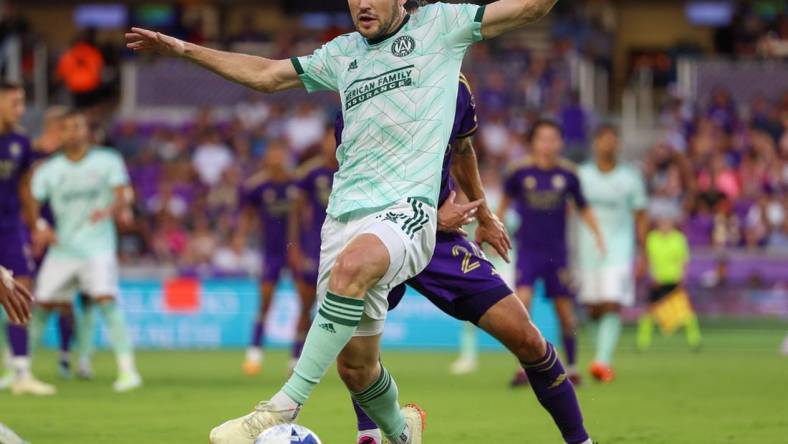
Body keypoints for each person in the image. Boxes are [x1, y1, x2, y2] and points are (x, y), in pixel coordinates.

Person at [126, 1, 585, 443]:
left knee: (516, 332)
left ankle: (281, 407)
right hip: (347, 218)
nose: (361, 4)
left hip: (417, 217)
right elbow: (267, 74)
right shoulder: (341, 57)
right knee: (356, 368)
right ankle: (399, 433)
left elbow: (527, 13)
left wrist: (481, 210)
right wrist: (183, 49)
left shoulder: (443, 31)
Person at [345, 75, 590, 444]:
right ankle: (371, 435)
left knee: (527, 337)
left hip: (440, 239)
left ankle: (581, 441)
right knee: (355, 353)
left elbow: (462, 150)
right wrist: (426, 214)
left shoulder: (454, 85)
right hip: (379, 234)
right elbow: (355, 181)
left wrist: (487, 217)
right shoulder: (365, 84)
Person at [29, 110, 142, 392]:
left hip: (97, 247)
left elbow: (125, 194)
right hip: (63, 249)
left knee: (106, 300)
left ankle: (128, 371)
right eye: (67, 128)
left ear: (86, 131)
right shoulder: (50, 169)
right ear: (61, 133)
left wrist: (112, 209)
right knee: (41, 305)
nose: (73, 132)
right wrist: (41, 225)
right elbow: (31, 199)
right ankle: (21, 370)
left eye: (78, 127)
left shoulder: (107, 160)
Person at [498, 119, 605, 387]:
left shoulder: (569, 174)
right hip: (528, 251)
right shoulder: (518, 172)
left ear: (560, 143)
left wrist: (598, 234)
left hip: (558, 253)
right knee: (522, 305)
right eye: (542, 138)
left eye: (553, 139)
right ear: (533, 142)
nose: (548, 144)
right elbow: (504, 203)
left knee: (565, 313)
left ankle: (571, 366)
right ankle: (523, 368)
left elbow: (583, 206)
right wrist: (493, 227)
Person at [576, 125, 648, 383]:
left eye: (613, 141)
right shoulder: (581, 175)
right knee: (593, 307)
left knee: (612, 302)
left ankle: (602, 361)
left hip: (619, 249)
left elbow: (640, 215)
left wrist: (643, 252)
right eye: (604, 140)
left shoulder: (630, 178)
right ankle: (600, 354)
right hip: (586, 250)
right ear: (595, 143)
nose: (609, 145)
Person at [0, 81, 56, 396]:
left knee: (20, 292)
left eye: (22, 103)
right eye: (15, 103)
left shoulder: (21, 141)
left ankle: (21, 370)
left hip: (8, 229)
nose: (20, 110)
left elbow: (24, 186)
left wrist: (36, 225)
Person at [237, 142, 298, 375]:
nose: (275, 160)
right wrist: (241, 236)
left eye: (279, 155)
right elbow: (247, 213)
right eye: (271, 155)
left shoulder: (296, 183)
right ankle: (254, 355)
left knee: (305, 305)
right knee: (265, 301)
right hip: (270, 252)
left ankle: (296, 358)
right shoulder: (256, 187)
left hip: (297, 250)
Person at [287, 129, 339, 373]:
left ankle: (338, 359)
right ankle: (295, 356)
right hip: (314, 247)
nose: (332, 143)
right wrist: (294, 247)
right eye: (328, 138)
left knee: (337, 305)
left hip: (344, 245)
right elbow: (296, 213)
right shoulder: (309, 172)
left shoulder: (353, 167)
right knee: (306, 303)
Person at [637, 203, 701, 351]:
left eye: (667, 221)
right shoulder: (652, 239)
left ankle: (695, 340)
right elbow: (648, 260)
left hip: (674, 280)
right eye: (661, 221)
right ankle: (642, 342)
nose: (664, 224)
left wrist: (682, 277)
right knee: (650, 312)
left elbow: (684, 261)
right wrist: (651, 276)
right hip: (657, 281)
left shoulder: (679, 239)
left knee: (686, 311)